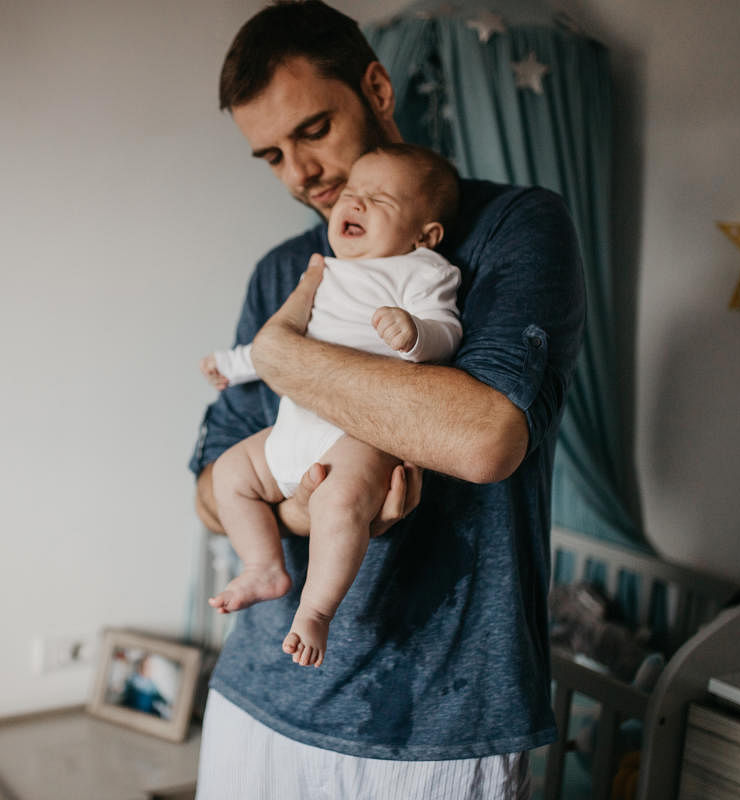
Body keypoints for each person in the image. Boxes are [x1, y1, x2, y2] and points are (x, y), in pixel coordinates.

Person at [188, 1, 585, 797]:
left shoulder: (513, 227)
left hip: (442, 717)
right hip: (259, 690)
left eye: (313, 130)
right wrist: (314, 509)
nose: (300, 174)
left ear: (376, 86)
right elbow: (208, 486)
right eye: (270, 155)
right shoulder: (283, 269)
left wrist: (283, 355)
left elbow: (484, 438)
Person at [200, 145, 463, 669]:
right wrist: (234, 363)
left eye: (379, 198)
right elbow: (281, 343)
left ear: (424, 234)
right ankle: (264, 566)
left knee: (341, 505)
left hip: (357, 434)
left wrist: (415, 334)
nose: (356, 204)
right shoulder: (321, 272)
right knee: (231, 472)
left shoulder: (421, 271)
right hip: (294, 425)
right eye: (352, 195)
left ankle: (317, 608)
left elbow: (448, 332)